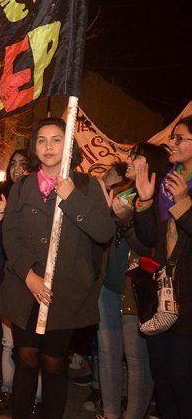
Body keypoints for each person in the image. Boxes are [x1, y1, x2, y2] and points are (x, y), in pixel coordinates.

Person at [0, 117, 113, 419]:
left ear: (68, 142)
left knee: (53, 363)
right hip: (25, 289)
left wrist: (71, 197)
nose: (49, 146)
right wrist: (28, 275)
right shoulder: (21, 186)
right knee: (26, 358)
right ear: (34, 147)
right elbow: (11, 235)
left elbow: (103, 232)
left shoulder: (86, 186)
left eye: (56, 139)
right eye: (42, 140)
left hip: (65, 293)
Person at [97, 145, 169, 419]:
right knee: (107, 352)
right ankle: (110, 412)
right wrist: (106, 215)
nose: (130, 159)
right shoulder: (122, 190)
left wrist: (126, 220)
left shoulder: (159, 197)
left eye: (137, 156)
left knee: (136, 359)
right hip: (108, 284)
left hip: (135, 287)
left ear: (151, 163)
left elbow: (149, 247)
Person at [133, 117, 192, 419]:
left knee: (183, 378)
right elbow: (148, 238)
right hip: (161, 294)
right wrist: (144, 201)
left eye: (180, 138)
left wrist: (183, 202)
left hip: (188, 299)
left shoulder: (180, 190)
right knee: (162, 374)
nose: (173, 143)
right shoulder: (167, 183)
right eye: (172, 137)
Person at [0, 149, 35, 417]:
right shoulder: (0, 194)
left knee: (33, 347)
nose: (17, 168)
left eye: (24, 164)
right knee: (7, 342)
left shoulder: (37, 196)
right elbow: (0, 239)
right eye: (13, 163)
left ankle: (34, 399)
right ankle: (6, 392)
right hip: (5, 277)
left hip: (33, 279)